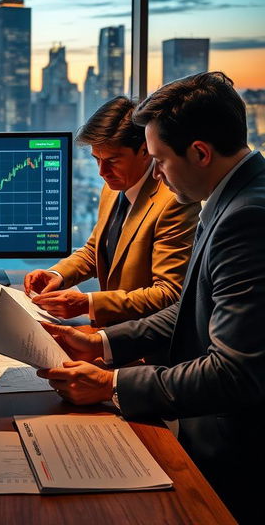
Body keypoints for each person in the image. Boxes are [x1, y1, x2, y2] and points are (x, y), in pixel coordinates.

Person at [37, 72, 265, 524]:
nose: (157, 173)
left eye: (159, 159)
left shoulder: (247, 218)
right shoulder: (228, 198)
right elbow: (191, 310)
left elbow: (236, 374)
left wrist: (112, 385)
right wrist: (101, 344)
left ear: (199, 153)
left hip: (235, 449)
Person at [24, 97, 200, 326]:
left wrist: (87, 304)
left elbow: (168, 293)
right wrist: (57, 275)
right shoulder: (113, 187)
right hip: (111, 333)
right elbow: (95, 250)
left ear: (145, 151)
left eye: (112, 161)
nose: (102, 172)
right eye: (96, 159)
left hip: (146, 344)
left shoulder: (174, 201)